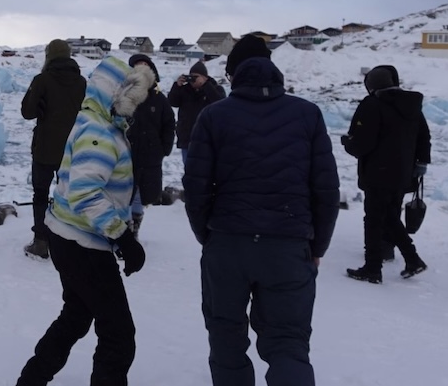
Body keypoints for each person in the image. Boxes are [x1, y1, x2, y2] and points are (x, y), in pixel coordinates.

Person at [182, 34, 340, 386]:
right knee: (287, 344)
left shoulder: (214, 115)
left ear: (232, 74)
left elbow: (195, 186)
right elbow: (326, 190)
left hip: (228, 244)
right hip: (287, 245)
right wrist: (317, 248)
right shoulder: (307, 114)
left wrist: (207, 234)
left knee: (226, 339)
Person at [15, 57, 153, 386]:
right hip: (84, 245)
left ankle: (31, 379)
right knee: (118, 334)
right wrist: (124, 238)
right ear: (114, 94)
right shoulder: (100, 134)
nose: (132, 107)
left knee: (76, 316)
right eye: (129, 97)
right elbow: (85, 192)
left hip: (68, 238)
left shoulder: (91, 120)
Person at [342, 65, 431, 283]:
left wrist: (348, 143)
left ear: (371, 85)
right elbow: (424, 137)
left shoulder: (372, 104)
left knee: (374, 219)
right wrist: (420, 164)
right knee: (390, 216)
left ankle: (373, 268)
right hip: (403, 173)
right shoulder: (411, 106)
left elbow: (362, 142)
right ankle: (412, 259)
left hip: (377, 172)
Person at [20, 39, 86, 259]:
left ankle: (41, 242)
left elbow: (27, 112)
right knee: (67, 195)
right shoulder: (81, 82)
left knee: (40, 194)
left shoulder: (42, 80)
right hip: (72, 149)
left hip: (45, 149)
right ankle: (67, 239)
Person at [126, 53, 175, 239]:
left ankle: (134, 229)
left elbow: (169, 123)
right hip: (126, 152)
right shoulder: (124, 92)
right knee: (123, 191)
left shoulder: (159, 98)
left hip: (149, 154)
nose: (141, 68)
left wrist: (164, 148)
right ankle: (122, 228)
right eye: (137, 65)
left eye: (144, 64)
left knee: (141, 192)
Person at [168, 60, 224, 165]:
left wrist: (206, 85)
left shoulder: (215, 88)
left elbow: (220, 104)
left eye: (196, 77)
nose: (193, 80)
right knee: (189, 169)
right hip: (187, 138)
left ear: (205, 77)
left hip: (207, 139)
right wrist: (177, 86)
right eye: (191, 77)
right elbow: (172, 102)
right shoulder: (185, 90)